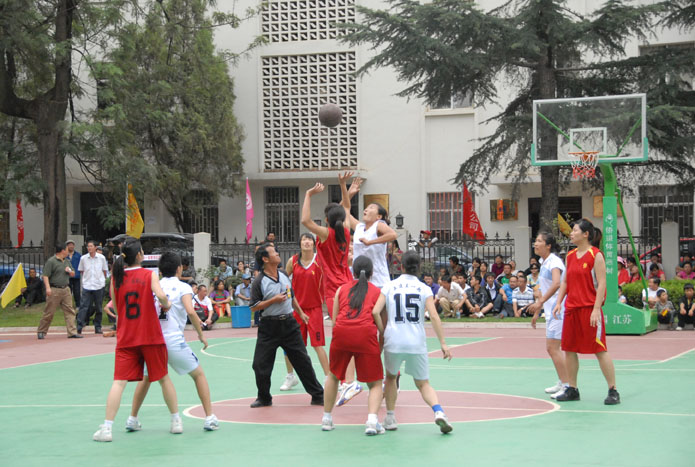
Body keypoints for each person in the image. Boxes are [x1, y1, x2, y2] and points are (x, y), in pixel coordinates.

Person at [92, 239, 178, 442]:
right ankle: (176, 421)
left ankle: (107, 428)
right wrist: (167, 304)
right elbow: (160, 296)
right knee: (163, 378)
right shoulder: (149, 275)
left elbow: (116, 307)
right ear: (139, 255)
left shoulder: (116, 278)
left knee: (119, 383)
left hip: (127, 336)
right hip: (150, 335)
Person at [127, 252, 219, 432]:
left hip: (153, 341)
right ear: (179, 268)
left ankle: (132, 418)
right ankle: (209, 417)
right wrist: (200, 334)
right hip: (174, 340)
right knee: (198, 375)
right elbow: (191, 312)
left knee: (146, 378)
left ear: (160, 270)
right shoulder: (183, 287)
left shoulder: (154, 286)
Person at [375, 251, 453, 434]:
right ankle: (439, 411)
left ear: (401, 266)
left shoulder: (389, 286)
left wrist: (383, 331)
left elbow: (375, 311)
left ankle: (390, 417)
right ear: (418, 268)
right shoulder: (424, 289)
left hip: (393, 340)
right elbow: (434, 316)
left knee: (391, 378)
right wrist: (443, 343)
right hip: (416, 341)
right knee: (423, 383)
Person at [301, 183, 359, 403]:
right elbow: (346, 208)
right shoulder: (346, 231)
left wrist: (308, 194)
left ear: (326, 219)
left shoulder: (326, 234)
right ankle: (347, 380)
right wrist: (345, 189)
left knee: (341, 336)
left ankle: (348, 381)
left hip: (335, 291)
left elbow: (305, 221)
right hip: (349, 285)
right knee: (348, 332)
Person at [553, 219, 620, 405]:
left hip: (589, 309)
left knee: (600, 349)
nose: (571, 233)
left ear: (586, 234)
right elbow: (565, 281)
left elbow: (602, 283)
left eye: (574, 230)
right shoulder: (570, 256)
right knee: (569, 349)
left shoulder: (595, 255)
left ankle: (613, 390)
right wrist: (558, 302)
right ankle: (572, 389)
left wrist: (596, 308)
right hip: (571, 309)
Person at [249, 244, 324, 408]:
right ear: (265, 259)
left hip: (289, 324)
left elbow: (291, 295)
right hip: (269, 327)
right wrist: (273, 300)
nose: (277, 254)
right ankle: (264, 398)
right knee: (260, 364)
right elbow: (254, 306)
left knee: (303, 361)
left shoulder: (283, 274)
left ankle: (318, 395)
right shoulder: (259, 281)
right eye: (274, 252)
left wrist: (300, 312)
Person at [321, 256, 385, 435]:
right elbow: (380, 319)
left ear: (353, 272)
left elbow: (334, 320)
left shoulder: (341, 289)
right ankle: (372, 421)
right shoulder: (377, 292)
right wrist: (381, 339)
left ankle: (326, 418)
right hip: (365, 335)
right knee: (375, 383)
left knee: (333, 376)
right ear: (372, 273)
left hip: (341, 333)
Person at [283, 233, 330, 384]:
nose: (307, 242)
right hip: (297, 310)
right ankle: (290, 376)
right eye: (304, 239)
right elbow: (284, 281)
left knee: (317, 345)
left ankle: (328, 378)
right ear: (300, 243)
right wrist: (288, 297)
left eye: (310, 239)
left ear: (314, 243)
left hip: (314, 309)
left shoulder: (320, 260)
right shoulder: (293, 261)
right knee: (291, 345)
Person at [528, 231, 569, 400]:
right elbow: (542, 289)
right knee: (552, 348)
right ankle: (562, 381)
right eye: (536, 241)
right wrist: (538, 311)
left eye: (539, 241)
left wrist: (540, 303)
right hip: (550, 311)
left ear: (548, 245)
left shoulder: (555, 261)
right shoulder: (542, 262)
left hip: (559, 310)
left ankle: (567, 386)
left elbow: (557, 283)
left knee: (553, 348)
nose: (536, 244)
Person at [338, 171, 397, 288]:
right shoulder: (359, 227)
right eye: (366, 208)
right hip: (359, 280)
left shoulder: (378, 225)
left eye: (371, 208)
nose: (366, 209)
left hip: (378, 281)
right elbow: (340, 211)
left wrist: (370, 242)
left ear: (378, 216)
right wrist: (349, 194)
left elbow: (393, 235)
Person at [37, 243, 82, 339]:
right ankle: (41, 331)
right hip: (55, 289)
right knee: (49, 311)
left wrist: (69, 271)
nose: (68, 251)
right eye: (67, 249)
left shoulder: (67, 261)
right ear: (62, 251)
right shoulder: (51, 261)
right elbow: (45, 275)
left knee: (70, 311)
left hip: (66, 289)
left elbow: (73, 274)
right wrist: (48, 288)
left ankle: (72, 332)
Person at [77, 240, 109, 334]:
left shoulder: (101, 258)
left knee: (98, 307)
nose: (89, 248)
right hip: (87, 285)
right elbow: (81, 270)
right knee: (84, 306)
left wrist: (101, 280)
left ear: (95, 247)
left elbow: (104, 270)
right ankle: (79, 325)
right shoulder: (83, 258)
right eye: (88, 246)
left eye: (91, 246)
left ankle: (97, 326)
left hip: (98, 285)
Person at [66, 240, 81, 308]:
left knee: (77, 291)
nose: (71, 246)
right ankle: (68, 305)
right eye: (69, 245)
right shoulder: (65, 255)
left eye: (72, 245)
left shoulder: (78, 255)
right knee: (68, 292)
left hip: (76, 276)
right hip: (67, 276)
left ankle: (78, 305)